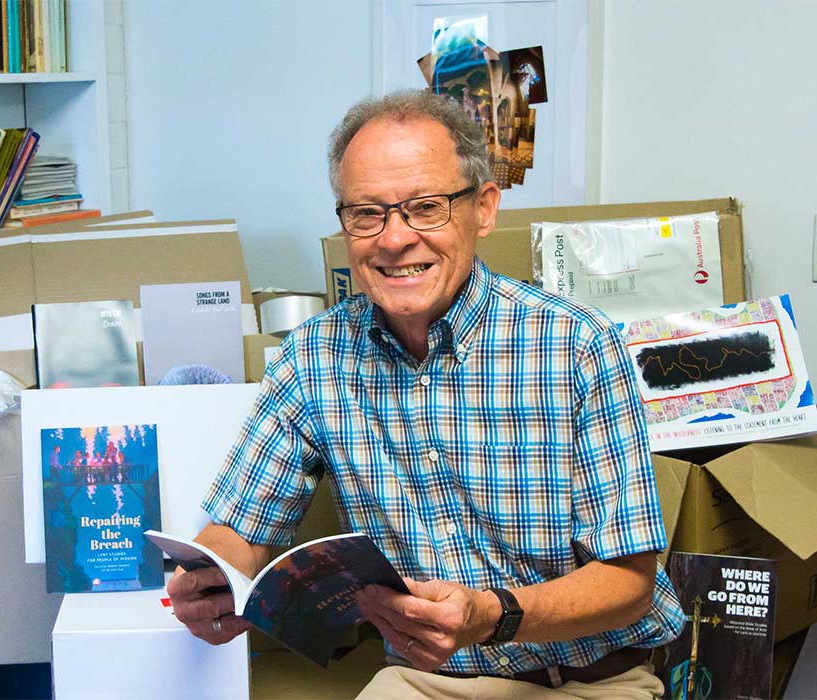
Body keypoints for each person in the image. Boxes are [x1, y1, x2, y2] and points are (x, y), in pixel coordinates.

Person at [168, 90, 684, 699]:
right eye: (367, 213)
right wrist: (206, 578)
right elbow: (241, 527)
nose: (394, 239)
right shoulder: (311, 358)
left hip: (587, 682)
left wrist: (493, 615)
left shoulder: (576, 343)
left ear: (484, 209)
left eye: (426, 207)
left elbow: (631, 581)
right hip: (426, 681)